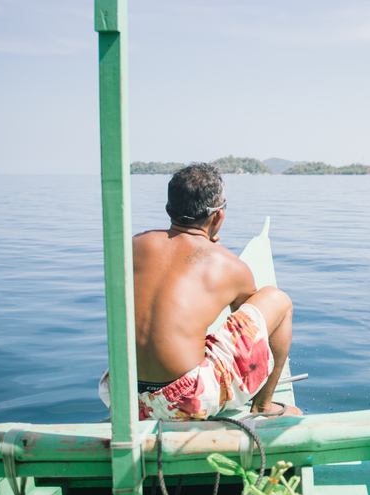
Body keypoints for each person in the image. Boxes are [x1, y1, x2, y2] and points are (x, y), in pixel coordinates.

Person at [98, 163, 301, 420]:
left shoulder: (132, 245)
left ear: (169, 210)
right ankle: (264, 405)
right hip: (185, 401)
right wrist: (211, 248)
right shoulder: (229, 266)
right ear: (218, 216)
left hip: (121, 393)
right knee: (278, 300)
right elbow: (251, 334)